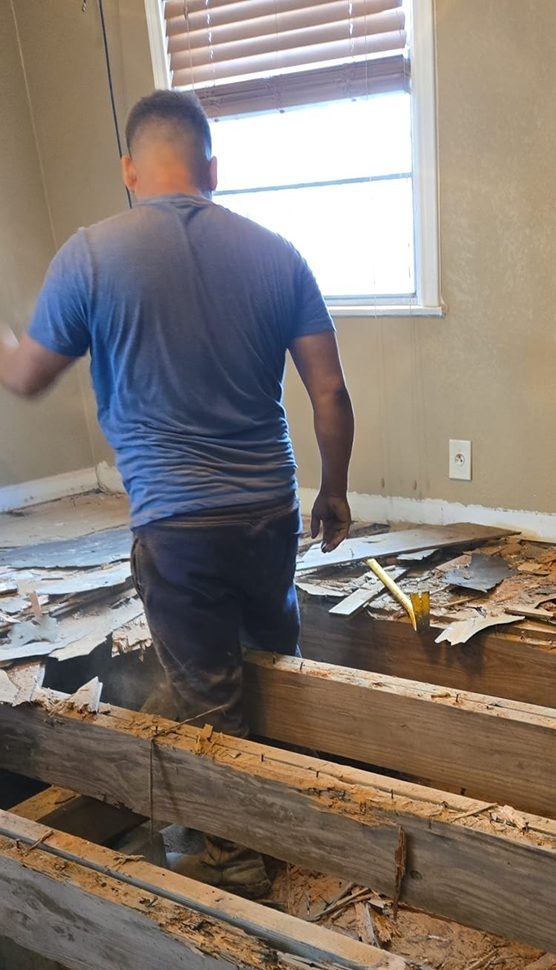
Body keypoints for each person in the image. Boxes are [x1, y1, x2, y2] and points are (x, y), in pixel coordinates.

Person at [0, 88, 354, 896]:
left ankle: (237, 857)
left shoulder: (91, 254)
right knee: (276, 657)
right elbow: (330, 392)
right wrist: (332, 493)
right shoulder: (279, 254)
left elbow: (25, 376)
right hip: (269, 512)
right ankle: (298, 807)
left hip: (178, 527)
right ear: (212, 169)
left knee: (210, 699)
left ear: (130, 169)